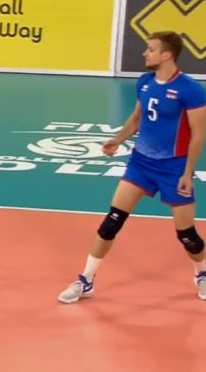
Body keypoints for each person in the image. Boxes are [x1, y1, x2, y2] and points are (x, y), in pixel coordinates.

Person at [58, 31, 206, 303]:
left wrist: (187, 172)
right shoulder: (145, 82)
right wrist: (117, 139)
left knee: (187, 235)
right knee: (111, 222)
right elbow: (136, 119)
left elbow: (198, 134)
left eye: (151, 49)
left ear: (166, 55)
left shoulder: (190, 89)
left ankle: (202, 274)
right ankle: (85, 280)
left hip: (173, 168)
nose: (144, 53)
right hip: (141, 163)